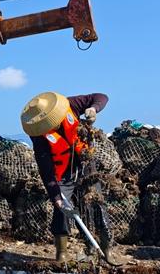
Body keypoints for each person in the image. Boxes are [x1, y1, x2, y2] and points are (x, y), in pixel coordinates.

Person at [20, 91, 119, 264]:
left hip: (85, 162)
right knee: (62, 208)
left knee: (97, 203)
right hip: (63, 171)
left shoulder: (70, 105)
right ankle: (62, 253)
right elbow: (45, 169)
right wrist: (55, 196)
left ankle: (106, 248)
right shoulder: (39, 136)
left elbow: (102, 96)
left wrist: (93, 109)